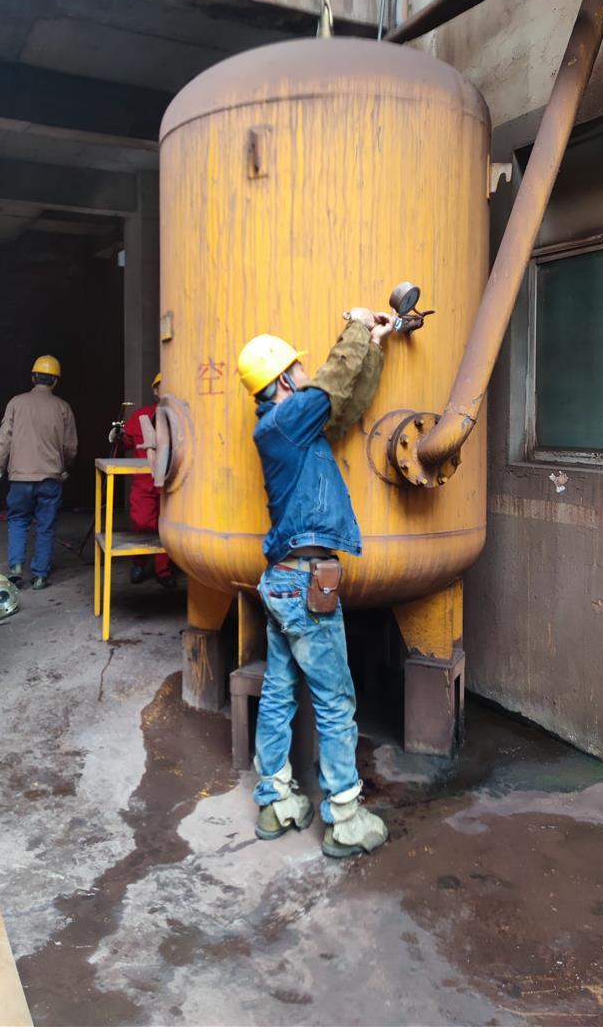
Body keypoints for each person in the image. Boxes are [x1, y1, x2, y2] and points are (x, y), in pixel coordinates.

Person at [237, 308, 394, 859]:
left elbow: (344, 404)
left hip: (284, 582)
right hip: (305, 585)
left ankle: (276, 802)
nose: (306, 375)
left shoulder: (288, 428)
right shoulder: (285, 422)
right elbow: (331, 383)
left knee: (279, 693)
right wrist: (356, 324)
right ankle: (345, 816)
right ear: (284, 379)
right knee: (334, 699)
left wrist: (374, 346)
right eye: (298, 369)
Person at [0, 354, 77, 591]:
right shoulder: (63, 408)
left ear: (33, 377)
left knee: (18, 521)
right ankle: (40, 576)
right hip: (50, 478)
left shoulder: (16, 403)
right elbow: (70, 447)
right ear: (55, 381)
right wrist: (64, 467)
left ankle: (16, 568)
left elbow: (4, 440)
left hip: (20, 478)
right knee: (46, 526)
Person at [113, 373, 177, 590]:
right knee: (142, 523)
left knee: (166, 528)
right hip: (144, 484)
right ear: (154, 391)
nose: (163, 390)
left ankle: (163, 571)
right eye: (160, 386)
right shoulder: (141, 416)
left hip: (169, 485)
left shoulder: (180, 419)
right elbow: (125, 444)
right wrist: (117, 437)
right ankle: (138, 563)